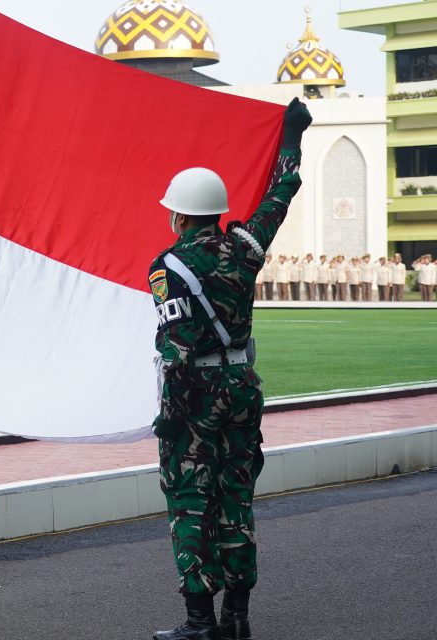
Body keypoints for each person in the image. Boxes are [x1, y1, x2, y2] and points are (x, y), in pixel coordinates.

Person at [147, 99, 311, 640]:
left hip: (197, 395)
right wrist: (291, 135)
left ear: (179, 214)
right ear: (215, 211)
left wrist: (168, 421)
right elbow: (280, 196)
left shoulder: (169, 266)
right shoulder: (245, 247)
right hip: (243, 387)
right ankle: (237, 617)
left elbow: (176, 348)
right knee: (237, 496)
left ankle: (200, 621)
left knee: (191, 501)